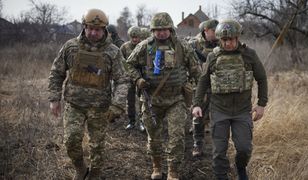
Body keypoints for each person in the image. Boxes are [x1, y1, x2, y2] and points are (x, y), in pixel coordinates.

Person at [48, 9, 128, 180]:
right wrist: (54, 98)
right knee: (71, 141)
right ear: (84, 26)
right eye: (90, 28)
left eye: (97, 29)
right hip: (74, 105)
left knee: (97, 145)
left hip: (99, 108)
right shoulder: (71, 47)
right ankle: (80, 169)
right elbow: (57, 72)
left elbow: (122, 80)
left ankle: (95, 174)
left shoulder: (113, 51)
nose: (93, 32)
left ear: (104, 29)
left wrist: (117, 105)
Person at [126, 12, 200, 180]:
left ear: (170, 29)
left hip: (176, 99)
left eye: (164, 29)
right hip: (152, 100)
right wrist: (138, 79)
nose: (161, 33)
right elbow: (128, 65)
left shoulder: (181, 46)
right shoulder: (144, 46)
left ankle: (173, 170)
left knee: (177, 136)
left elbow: (196, 70)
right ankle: (157, 166)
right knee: (154, 137)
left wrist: (197, 94)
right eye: (157, 30)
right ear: (153, 30)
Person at [192, 19, 268, 180]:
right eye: (224, 40)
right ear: (220, 39)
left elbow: (262, 79)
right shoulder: (213, 56)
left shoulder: (249, 55)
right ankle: (221, 176)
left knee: (244, 149)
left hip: (242, 111)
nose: (228, 43)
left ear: (237, 38)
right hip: (219, 110)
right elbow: (203, 81)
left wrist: (261, 104)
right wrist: (197, 104)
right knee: (219, 151)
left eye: (231, 39)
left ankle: (240, 168)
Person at [189, 19, 219, 157]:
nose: (217, 33)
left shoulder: (221, 43)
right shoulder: (193, 44)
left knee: (217, 116)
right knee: (198, 116)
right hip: (198, 85)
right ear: (206, 31)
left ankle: (218, 147)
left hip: (217, 85)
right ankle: (198, 144)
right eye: (214, 31)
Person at [120, 26, 145, 131]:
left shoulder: (143, 46)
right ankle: (131, 121)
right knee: (130, 100)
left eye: (137, 37)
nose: (135, 39)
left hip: (141, 77)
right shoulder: (125, 47)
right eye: (133, 37)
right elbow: (121, 61)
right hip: (129, 77)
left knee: (142, 100)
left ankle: (143, 121)